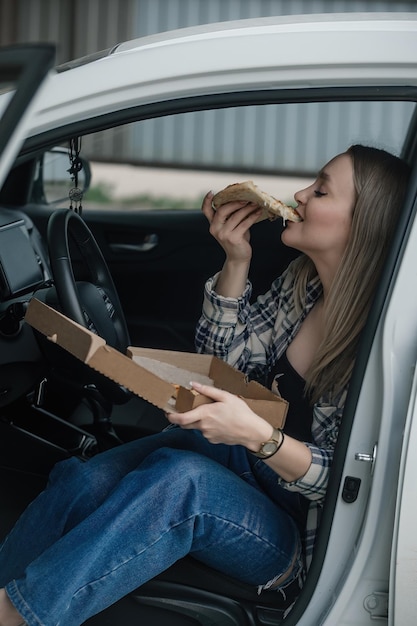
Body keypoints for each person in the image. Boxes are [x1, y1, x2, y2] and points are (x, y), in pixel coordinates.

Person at [0, 145, 410, 626]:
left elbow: (351, 484)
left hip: (300, 535)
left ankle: (19, 616)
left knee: (182, 482)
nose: (298, 194)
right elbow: (227, 363)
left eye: (320, 190)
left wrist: (259, 436)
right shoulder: (306, 285)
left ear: (364, 224)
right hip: (252, 468)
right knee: (81, 477)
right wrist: (236, 260)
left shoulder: (383, 345)